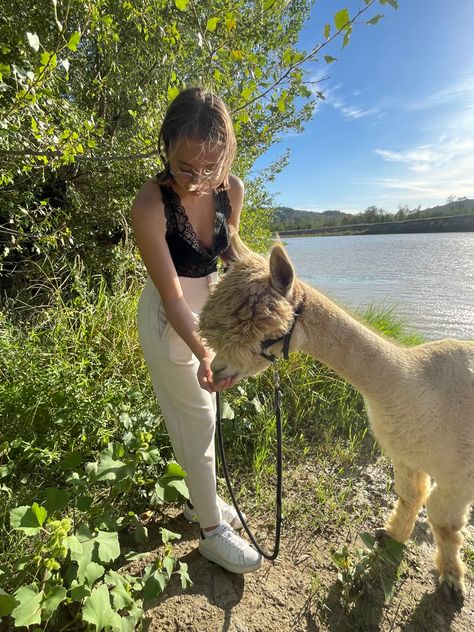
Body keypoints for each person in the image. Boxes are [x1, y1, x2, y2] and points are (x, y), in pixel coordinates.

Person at [131, 87, 262, 574]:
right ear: (166, 145)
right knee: (198, 419)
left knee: (202, 413)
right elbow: (171, 295)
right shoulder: (149, 203)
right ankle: (211, 532)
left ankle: (196, 502)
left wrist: (267, 279)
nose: (199, 179)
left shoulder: (232, 189)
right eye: (186, 166)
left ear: (227, 155)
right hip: (171, 318)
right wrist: (204, 353)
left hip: (209, 305)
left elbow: (229, 250)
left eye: (212, 166)